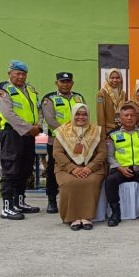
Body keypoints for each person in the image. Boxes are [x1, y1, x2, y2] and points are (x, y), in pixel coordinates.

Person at [0, 60, 42, 220]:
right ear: (10, 74)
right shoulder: (3, 90)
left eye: (24, 74)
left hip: (29, 135)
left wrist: (38, 125)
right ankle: (7, 208)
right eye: (18, 73)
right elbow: (8, 114)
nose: (21, 77)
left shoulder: (30, 89)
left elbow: (38, 109)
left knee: (25, 170)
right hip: (12, 134)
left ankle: (19, 202)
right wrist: (29, 128)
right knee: (10, 170)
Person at [52, 103, 107, 230]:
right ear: (72, 115)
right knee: (70, 183)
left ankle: (87, 217)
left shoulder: (96, 130)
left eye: (84, 114)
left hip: (93, 168)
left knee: (90, 182)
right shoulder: (62, 131)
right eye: (77, 114)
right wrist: (72, 168)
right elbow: (57, 153)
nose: (81, 117)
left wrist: (90, 168)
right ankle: (72, 217)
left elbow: (102, 152)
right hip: (66, 168)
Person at [40, 71, 85, 214]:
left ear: (72, 83)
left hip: (77, 141)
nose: (65, 84)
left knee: (76, 168)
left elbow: (84, 115)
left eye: (68, 82)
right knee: (53, 170)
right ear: (56, 83)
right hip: (56, 141)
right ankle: (52, 200)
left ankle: (75, 199)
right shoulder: (49, 99)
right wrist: (68, 133)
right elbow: (50, 120)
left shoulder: (79, 97)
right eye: (62, 82)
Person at [105, 104, 139, 226]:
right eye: (126, 115)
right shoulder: (113, 135)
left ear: (136, 117)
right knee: (110, 180)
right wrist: (120, 168)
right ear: (120, 118)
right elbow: (110, 156)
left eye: (132, 115)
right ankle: (115, 212)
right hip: (121, 168)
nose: (129, 118)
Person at [96, 68, 126, 136]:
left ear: (121, 79)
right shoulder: (101, 93)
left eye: (117, 78)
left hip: (122, 129)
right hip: (108, 130)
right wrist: (102, 134)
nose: (115, 80)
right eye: (112, 78)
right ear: (107, 78)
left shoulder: (123, 93)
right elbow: (100, 116)